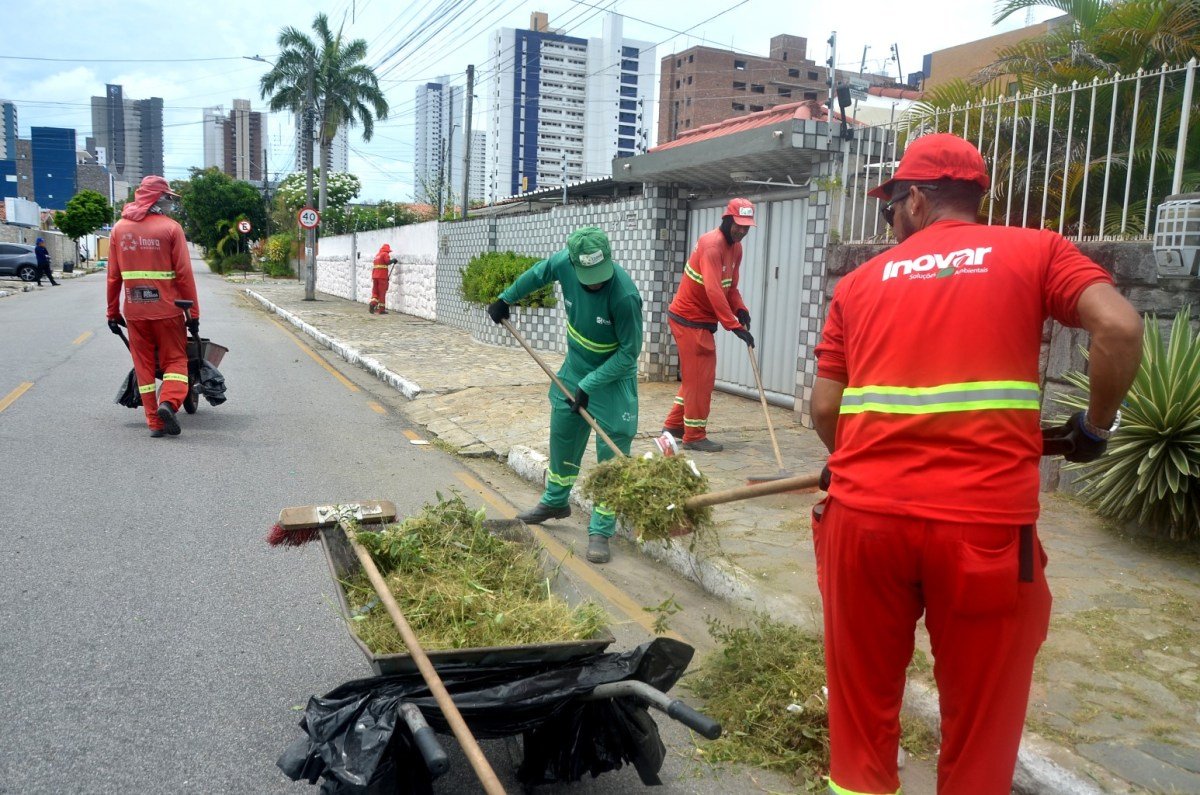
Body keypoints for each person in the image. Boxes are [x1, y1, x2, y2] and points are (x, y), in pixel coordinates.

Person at [810, 133, 1144, 794]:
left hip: (866, 523)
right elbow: (1121, 328)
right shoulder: (1037, 250)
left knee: (860, 719)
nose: (890, 224)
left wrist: (854, 462)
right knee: (981, 727)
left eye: (890, 211)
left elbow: (825, 409)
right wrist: (1095, 428)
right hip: (986, 534)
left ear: (914, 200)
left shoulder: (857, 284)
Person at [486, 227, 643, 564]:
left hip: (613, 378)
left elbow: (630, 354)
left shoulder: (625, 296)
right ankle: (556, 500)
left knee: (612, 454)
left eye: (600, 276)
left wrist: (591, 384)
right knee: (562, 428)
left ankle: (601, 529)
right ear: (573, 264)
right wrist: (506, 297)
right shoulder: (563, 263)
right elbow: (538, 273)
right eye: (588, 277)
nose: (595, 283)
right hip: (575, 367)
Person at [106, 175, 200, 439]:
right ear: (157, 198)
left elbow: (114, 277)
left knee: (144, 366)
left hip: (135, 312)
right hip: (168, 311)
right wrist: (193, 314)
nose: (170, 202)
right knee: (176, 361)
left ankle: (154, 424)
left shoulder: (119, 230)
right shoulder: (171, 229)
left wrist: (112, 313)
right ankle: (168, 403)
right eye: (168, 197)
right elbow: (184, 275)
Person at [661, 197, 756, 452]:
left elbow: (729, 287)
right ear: (727, 219)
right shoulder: (712, 245)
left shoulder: (736, 248)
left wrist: (740, 309)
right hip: (689, 320)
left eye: (747, 227)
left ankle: (673, 426)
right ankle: (694, 436)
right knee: (702, 379)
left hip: (701, 321)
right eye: (739, 225)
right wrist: (733, 326)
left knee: (694, 378)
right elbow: (714, 291)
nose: (742, 231)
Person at [369, 243, 397, 314]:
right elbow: (387, 262)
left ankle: (373, 303)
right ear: (387, 250)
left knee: (375, 292)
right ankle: (381, 310)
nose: (388, 253)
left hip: (375, 276)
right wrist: (393, 260)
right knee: (382, 292)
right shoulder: (385, 254)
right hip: (382, 277)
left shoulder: (377, 255)